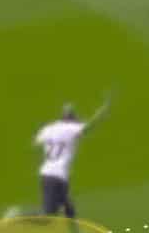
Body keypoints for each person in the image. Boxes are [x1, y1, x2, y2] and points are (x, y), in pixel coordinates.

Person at [34, 93, 111, 224]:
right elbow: (89, 126)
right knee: (48, 216)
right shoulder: (71, 128)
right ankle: (16, 215)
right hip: (56, 176)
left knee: (68, 208)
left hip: (49, 173)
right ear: (72, 118)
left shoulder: (48, 129)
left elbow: (36, 142)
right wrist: (103, 111)